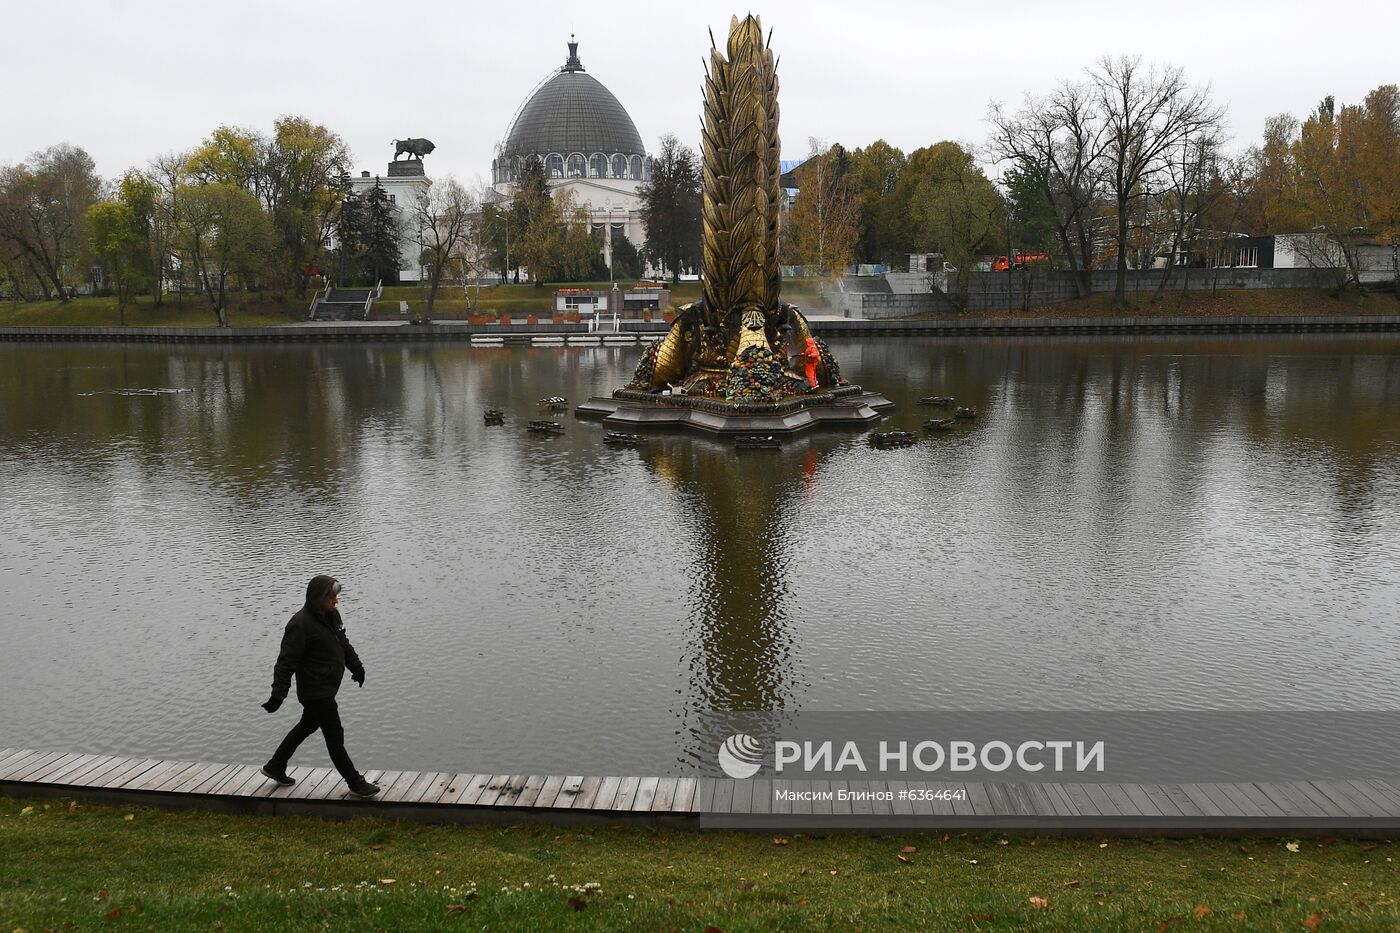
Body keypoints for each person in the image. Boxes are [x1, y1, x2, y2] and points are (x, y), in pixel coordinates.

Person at [259, 574, 380, 798]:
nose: (336, 601)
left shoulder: (332, 616)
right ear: (319, 597)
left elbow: (343, 643)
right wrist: (278, 694)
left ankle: (275, 765)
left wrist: (357, 667)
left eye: (336, 597)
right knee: (335, 736)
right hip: (315, 691)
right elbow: (286, 662)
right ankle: (355, 782)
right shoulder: (300, 624)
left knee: (308, 725)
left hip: (327, 687)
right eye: (332, 597)